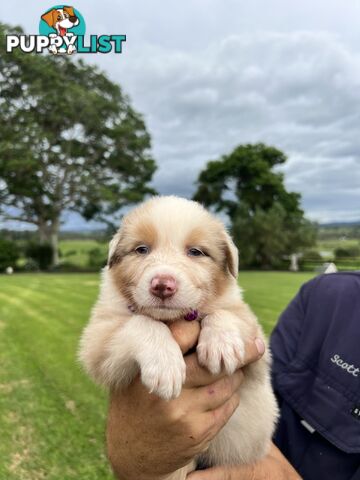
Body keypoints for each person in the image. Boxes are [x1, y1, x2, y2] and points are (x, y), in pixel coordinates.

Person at [106, 272, 360, 479]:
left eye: (196, 252)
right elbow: (260, 382)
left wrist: (269, 475)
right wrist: (138, 457)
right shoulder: (327, 295)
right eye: (142, 250)